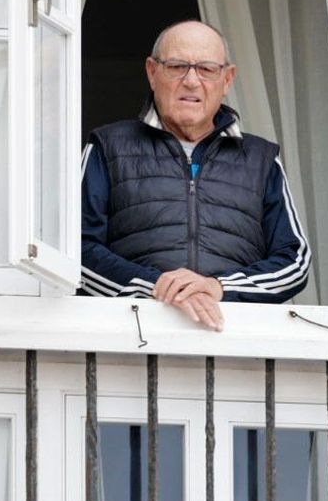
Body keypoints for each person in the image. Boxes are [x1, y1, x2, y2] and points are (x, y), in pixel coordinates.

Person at [80, 20, 310, 331]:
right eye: (176, 66)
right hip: (131, 338)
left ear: (227, 79)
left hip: (240, 342)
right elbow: (78, 252)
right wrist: (158, 285)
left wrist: (218, 287)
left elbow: (294, 262)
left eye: (206, 69)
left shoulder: (261, 159)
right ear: (152, 72)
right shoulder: (108, 146)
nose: (191, 81)